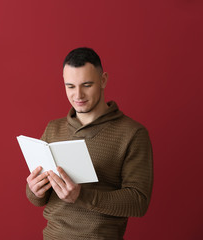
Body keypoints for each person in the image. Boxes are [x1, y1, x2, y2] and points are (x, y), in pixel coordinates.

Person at [26, 47, 153, 240]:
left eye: (86, 85)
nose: (78, 95)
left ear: (103, 80)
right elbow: (38, 200)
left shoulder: (133, 133)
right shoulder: (53, 128)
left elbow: (138, 202)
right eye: (70, 86)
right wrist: (34, 190)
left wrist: (81, 195)